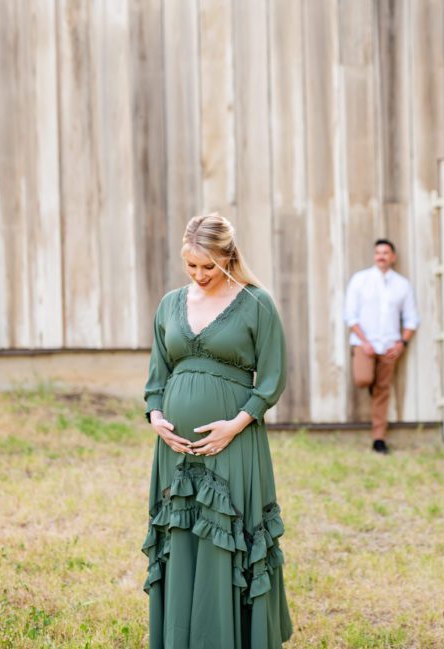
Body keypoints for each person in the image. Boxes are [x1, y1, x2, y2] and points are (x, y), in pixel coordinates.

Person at [142, 213, 292, 648]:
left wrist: (235, 425)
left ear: (228, 256)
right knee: (182, 539)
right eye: (191, 266)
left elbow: (272, 378)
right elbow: (156, 376)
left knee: (229, 540)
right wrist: (157, 419)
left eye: (209, 266)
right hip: (175, 451)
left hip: (234, 444)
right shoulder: (170, 304)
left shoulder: (256, 302)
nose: (199, 275)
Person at [343, 239, 419, 454]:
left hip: (389, 347)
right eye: (378, 252)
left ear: (393, 257)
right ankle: (370, 378)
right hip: (364, 344)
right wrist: (365, 342)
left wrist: (402, 343)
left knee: (382, 392)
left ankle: (379, 438)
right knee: (364, 379)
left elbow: (412, 319)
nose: (381, 256)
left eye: (386, 252)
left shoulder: (402, 285)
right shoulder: (360, 280)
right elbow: (350, 315)